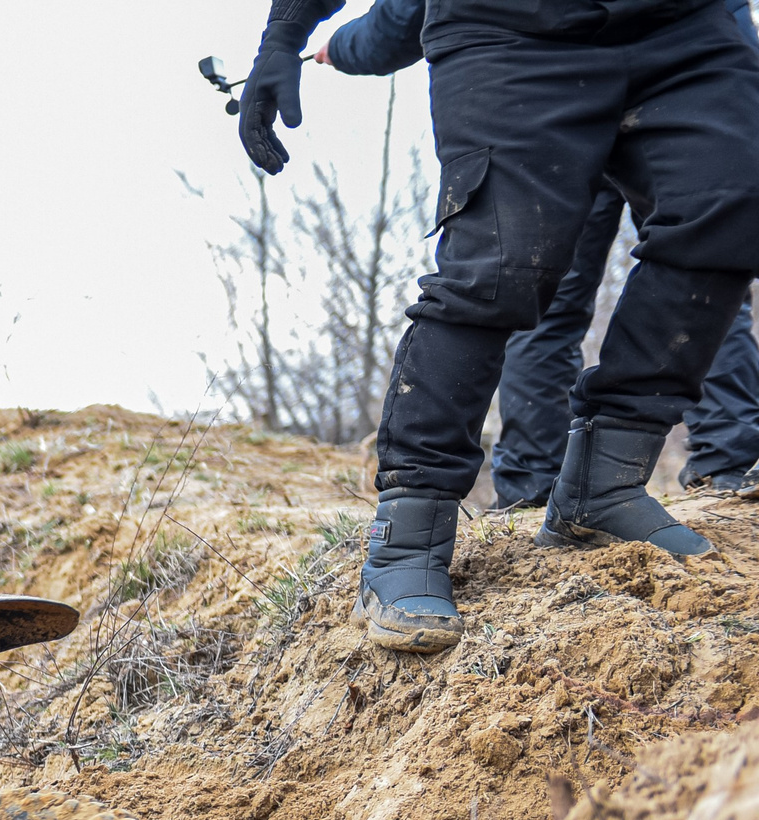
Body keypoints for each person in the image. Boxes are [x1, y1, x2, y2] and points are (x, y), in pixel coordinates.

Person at [239, 0, 759, 654]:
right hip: (510, 30)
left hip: (686, 22)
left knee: (730, 210)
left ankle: (604, 486)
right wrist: (286, 35)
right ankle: (409, 534)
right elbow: (398, 22)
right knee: (502, 261)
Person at [313, 0, 759, 507]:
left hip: (569, 100)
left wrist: (339, 48)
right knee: (702, 261)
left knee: (565, 296)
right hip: (658, 81)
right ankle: (726, 462)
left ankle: (539, 485)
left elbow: (397, 22)